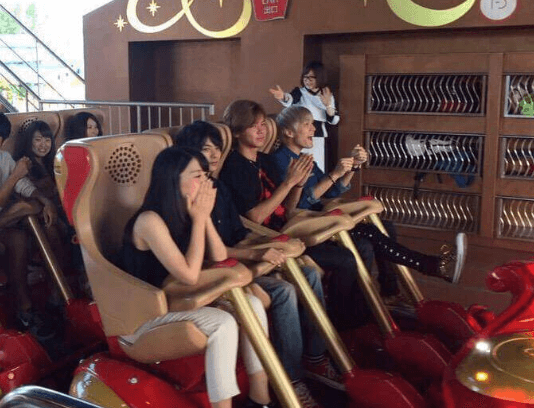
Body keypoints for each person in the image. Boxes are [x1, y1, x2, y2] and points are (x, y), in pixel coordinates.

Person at [175, 121, 340, 408]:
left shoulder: (217, 186)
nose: (213, 155)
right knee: (283, 291)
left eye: (216, 149)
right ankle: (290, 379)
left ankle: (314, 357)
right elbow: (210, 255)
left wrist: (271, 246)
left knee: (308, 272)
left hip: (237, 260)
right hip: (219, 272)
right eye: (205, 149)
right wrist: (258, 254)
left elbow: (240, 233)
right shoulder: (185, 196)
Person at [122, 146, 273, 408]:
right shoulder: (149, 221)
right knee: (222, 323)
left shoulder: (187, 212)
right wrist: (201, 218)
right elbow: (189, 275)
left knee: (252, 304)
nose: (205, 183)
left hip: (180, 303)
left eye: (205, 175)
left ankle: (260, 397)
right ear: (172, 180)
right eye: (197, 176)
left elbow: (218, 255)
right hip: (146, 317)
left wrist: (202, 217)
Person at [220, 100, 375, 332]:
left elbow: (289, 209)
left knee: (359, 245)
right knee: (344, 259)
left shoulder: (264, 160)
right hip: (268, 237)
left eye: (263, 125)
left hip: (289, 229)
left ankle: (352, 321)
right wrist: (289, 183)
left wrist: (298, 185)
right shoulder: (235, 167)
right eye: (253, 126)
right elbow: (255, 218)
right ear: (237, 131)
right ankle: (339, 328)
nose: (261, 131)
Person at [272, 106, 468, 286]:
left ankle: (391, 289)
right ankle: (432, 266)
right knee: (368, 237)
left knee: (386, 226)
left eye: (313, 124)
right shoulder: (279, 161)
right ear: (288, 132)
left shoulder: (304, 158)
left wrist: (352, 167)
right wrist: (335, 174)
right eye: (307, 124)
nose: (313, 129)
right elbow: (300, 203)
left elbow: (331, 191)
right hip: (308, 226)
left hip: (322, 219)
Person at [0, 113, 56, 337]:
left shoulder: (4, 158)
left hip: (4, 221)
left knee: (20, 236)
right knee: (24, 207)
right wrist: (15, 176)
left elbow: (23, 186)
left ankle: (25, 310)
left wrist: (45, 201)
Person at [269, 61, 339, 172]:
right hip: (300, 134)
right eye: (305, 77)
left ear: (320, 77)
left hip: (318, 135)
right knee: (299, 165)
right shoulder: (300, 92)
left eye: (311, 78)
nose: (307, 80)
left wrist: (328, 105)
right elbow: (290, 99)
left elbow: (333, 120)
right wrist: (283, 97)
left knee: (317, 165)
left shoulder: (327, 94)